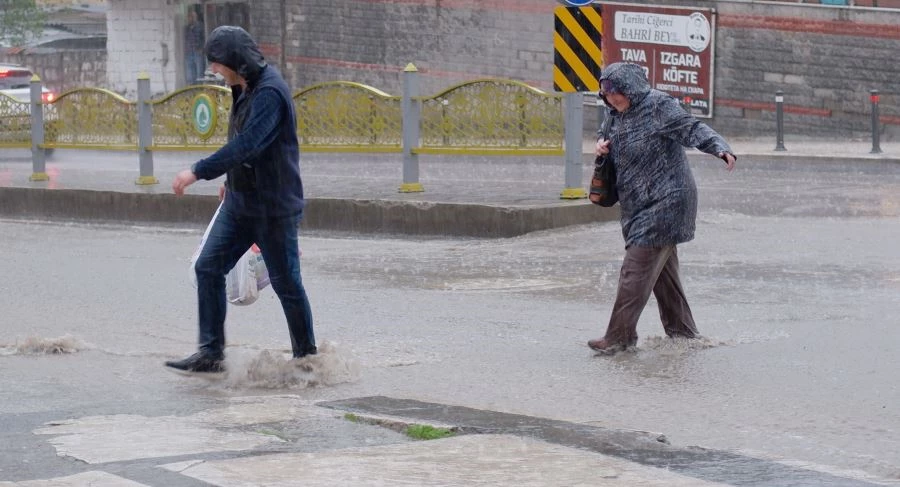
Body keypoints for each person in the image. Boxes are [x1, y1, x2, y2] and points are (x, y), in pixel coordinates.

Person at [167, 26, 316, 374]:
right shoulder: (242, 87)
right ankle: (211, 352)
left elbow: (248, 144)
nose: (215, 71)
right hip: (240, 203)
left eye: (218, 64)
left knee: (287, 283)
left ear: (235, 61)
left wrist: (197, 171)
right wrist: (229, 181)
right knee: (208, 267)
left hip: (273, 209)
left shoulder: (270, 94)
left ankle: (307, 358)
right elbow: (241, 145)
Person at [586, 62, 736, 355]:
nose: (612, 99)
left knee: (635, 269)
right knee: (663, 277)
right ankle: (683, 333)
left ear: (631, 87)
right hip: (638, 203)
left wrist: (718, 146)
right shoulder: (613, 115)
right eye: (607, 94)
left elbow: (691, 128)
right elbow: (604, 137)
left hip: (668, 200)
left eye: (617, 93)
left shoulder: (658, 105)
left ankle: (619, 337)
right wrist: (601, 147)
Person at [184, 9, 205, 84]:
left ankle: (199, 89)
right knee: (190, 74)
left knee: (199, 73)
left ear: (195, 17)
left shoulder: (200, 26)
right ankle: (192, 90)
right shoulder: (186, 28)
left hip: (197, 51)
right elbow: (184, 40)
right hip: (189, 52)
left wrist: (202, 49)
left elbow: (204, 38)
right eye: (189, 17)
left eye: (192, 16)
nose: (190, 18)